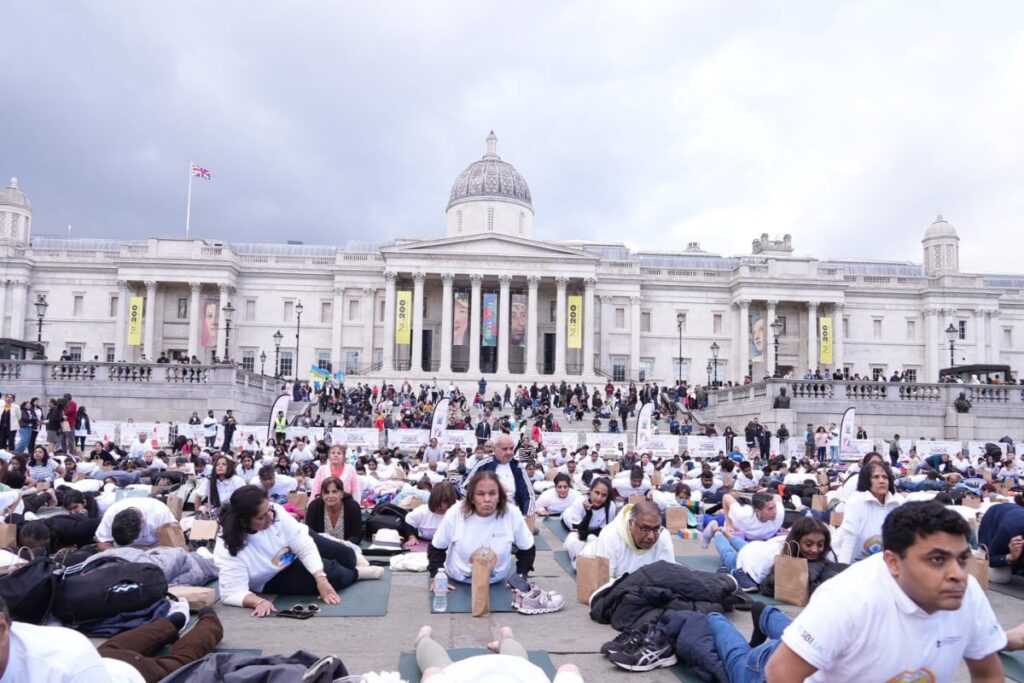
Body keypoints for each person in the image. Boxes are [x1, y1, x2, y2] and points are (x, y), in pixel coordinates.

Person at [751, 501, 1006, 681]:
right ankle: (743, 617)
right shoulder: (846, 598)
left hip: (828, 647)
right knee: (729, 650)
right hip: (767, 669)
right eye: (937, 560)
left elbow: (988, 675)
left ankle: (768, 618)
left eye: (962, 559)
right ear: (893, 562)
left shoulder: (967, 591)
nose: (958, 574)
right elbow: (781, 672)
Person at [0, 592, 224, 683]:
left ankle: (209, 624)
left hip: (134, 674)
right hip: (103, 658)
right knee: (121, 644)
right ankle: (169, 623)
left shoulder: (65, 666)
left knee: (179, 662)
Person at [214, 485, 366, 617]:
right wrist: (257, 601)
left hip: (293, 543)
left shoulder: (274, 512)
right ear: (244, 521)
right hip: (273, 573)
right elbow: (230, 593)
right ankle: (358, 573)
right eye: (262, 517)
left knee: (346, 556)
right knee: (334, 575)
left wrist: (320, 577)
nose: (270, 518)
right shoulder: (228, 545)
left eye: (269, 510)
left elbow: (303, 545)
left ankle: (352, 561)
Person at [428, 470, 535, 585]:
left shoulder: (512, 513)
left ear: (499, 496)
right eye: (480, 494)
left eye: (493, 493)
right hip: (459, 579)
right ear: (471, 497)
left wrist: (520, 577)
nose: (487, 499)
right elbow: (437, 548)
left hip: (496, 581)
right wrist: (436, 577)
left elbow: (527, 549)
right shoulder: (456, 512)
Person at [413, 625, 582, 683]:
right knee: (436, 666)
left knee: (436, 666)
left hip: (511, 669)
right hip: (517, 669)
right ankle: (507, 637)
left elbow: (569, 668)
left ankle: (507, 636)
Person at [834, 461, 902, 564]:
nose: (881, 481)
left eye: (885, 477)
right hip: (856, 564)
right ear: (866, 481)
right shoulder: (856, 501)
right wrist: (842, 569)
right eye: (876, 477)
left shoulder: (898, 502)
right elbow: (849, 537)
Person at [592, 500, 674, 579]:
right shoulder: (609, 536)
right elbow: (604, 581)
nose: (651, 536)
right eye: (645, 529)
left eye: (656, 529)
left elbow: (668, 575)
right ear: (631, 524)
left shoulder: (664, 535)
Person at [462, 433, 535, 517]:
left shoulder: (518, 467)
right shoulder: (483, 465)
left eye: (511, 448)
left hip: (512, 516)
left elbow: (530, 495)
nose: (509, 452)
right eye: (504, 449)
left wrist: (527, 517)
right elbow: (464, 489)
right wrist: (481, 502)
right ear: (494, 449)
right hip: (486, 515)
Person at [561, 477, 616, 563]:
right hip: (571, 524)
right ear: (590, 491)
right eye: (597, 493)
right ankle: (580, 559)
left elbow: (604, 531)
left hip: (589, 530)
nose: (599, 498)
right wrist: (589, 514)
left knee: (596, 540)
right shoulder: (579, 502)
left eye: (604, 495)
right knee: (572, 538)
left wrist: (588, 534)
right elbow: (579, 530)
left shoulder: (611, 506)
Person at [95, 497, 178, 548]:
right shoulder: (111, 514)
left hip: (156, 548)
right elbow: (102, 542)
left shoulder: (159, 513)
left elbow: (174, 545)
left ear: (142, 522)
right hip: (125, 551)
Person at [304, 476, 363, 544]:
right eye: (326, 492)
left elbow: (356, 535)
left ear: (342, 494)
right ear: (322, 495)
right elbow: (310, 534)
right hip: (320, 549)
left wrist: (344, 545)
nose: (330, 496)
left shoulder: (353, 507)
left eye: (334, 492)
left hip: (347, 549)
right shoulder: (314, 506)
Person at [978, 498, 1024, 583]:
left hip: (1012, 514)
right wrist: (1011, 557)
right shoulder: (1010, 529)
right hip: (993, 519)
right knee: (1001, 578)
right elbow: (991, 559)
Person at [401, 481, 458, 548]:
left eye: (445, 502)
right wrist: (411, 537)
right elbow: (408, 522)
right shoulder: (422, 511)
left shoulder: (458, 509)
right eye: (438, 503)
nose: (441, 507)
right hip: (425, 543)